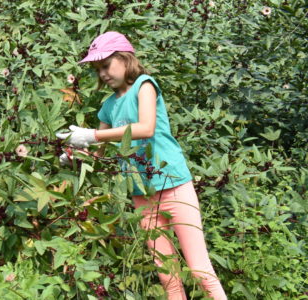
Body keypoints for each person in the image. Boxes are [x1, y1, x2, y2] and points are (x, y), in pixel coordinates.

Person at [56, 31, 226, 300]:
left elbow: (145, 128)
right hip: (142, 195)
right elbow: (100, 156)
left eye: (106, 65)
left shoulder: (144, 85)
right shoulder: (108, 107)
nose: (102, 74)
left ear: (125, 59)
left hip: (174, 186)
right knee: (166, 273)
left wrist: (92, 135)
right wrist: (75, 154)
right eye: (97, 69)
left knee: (199, 269)